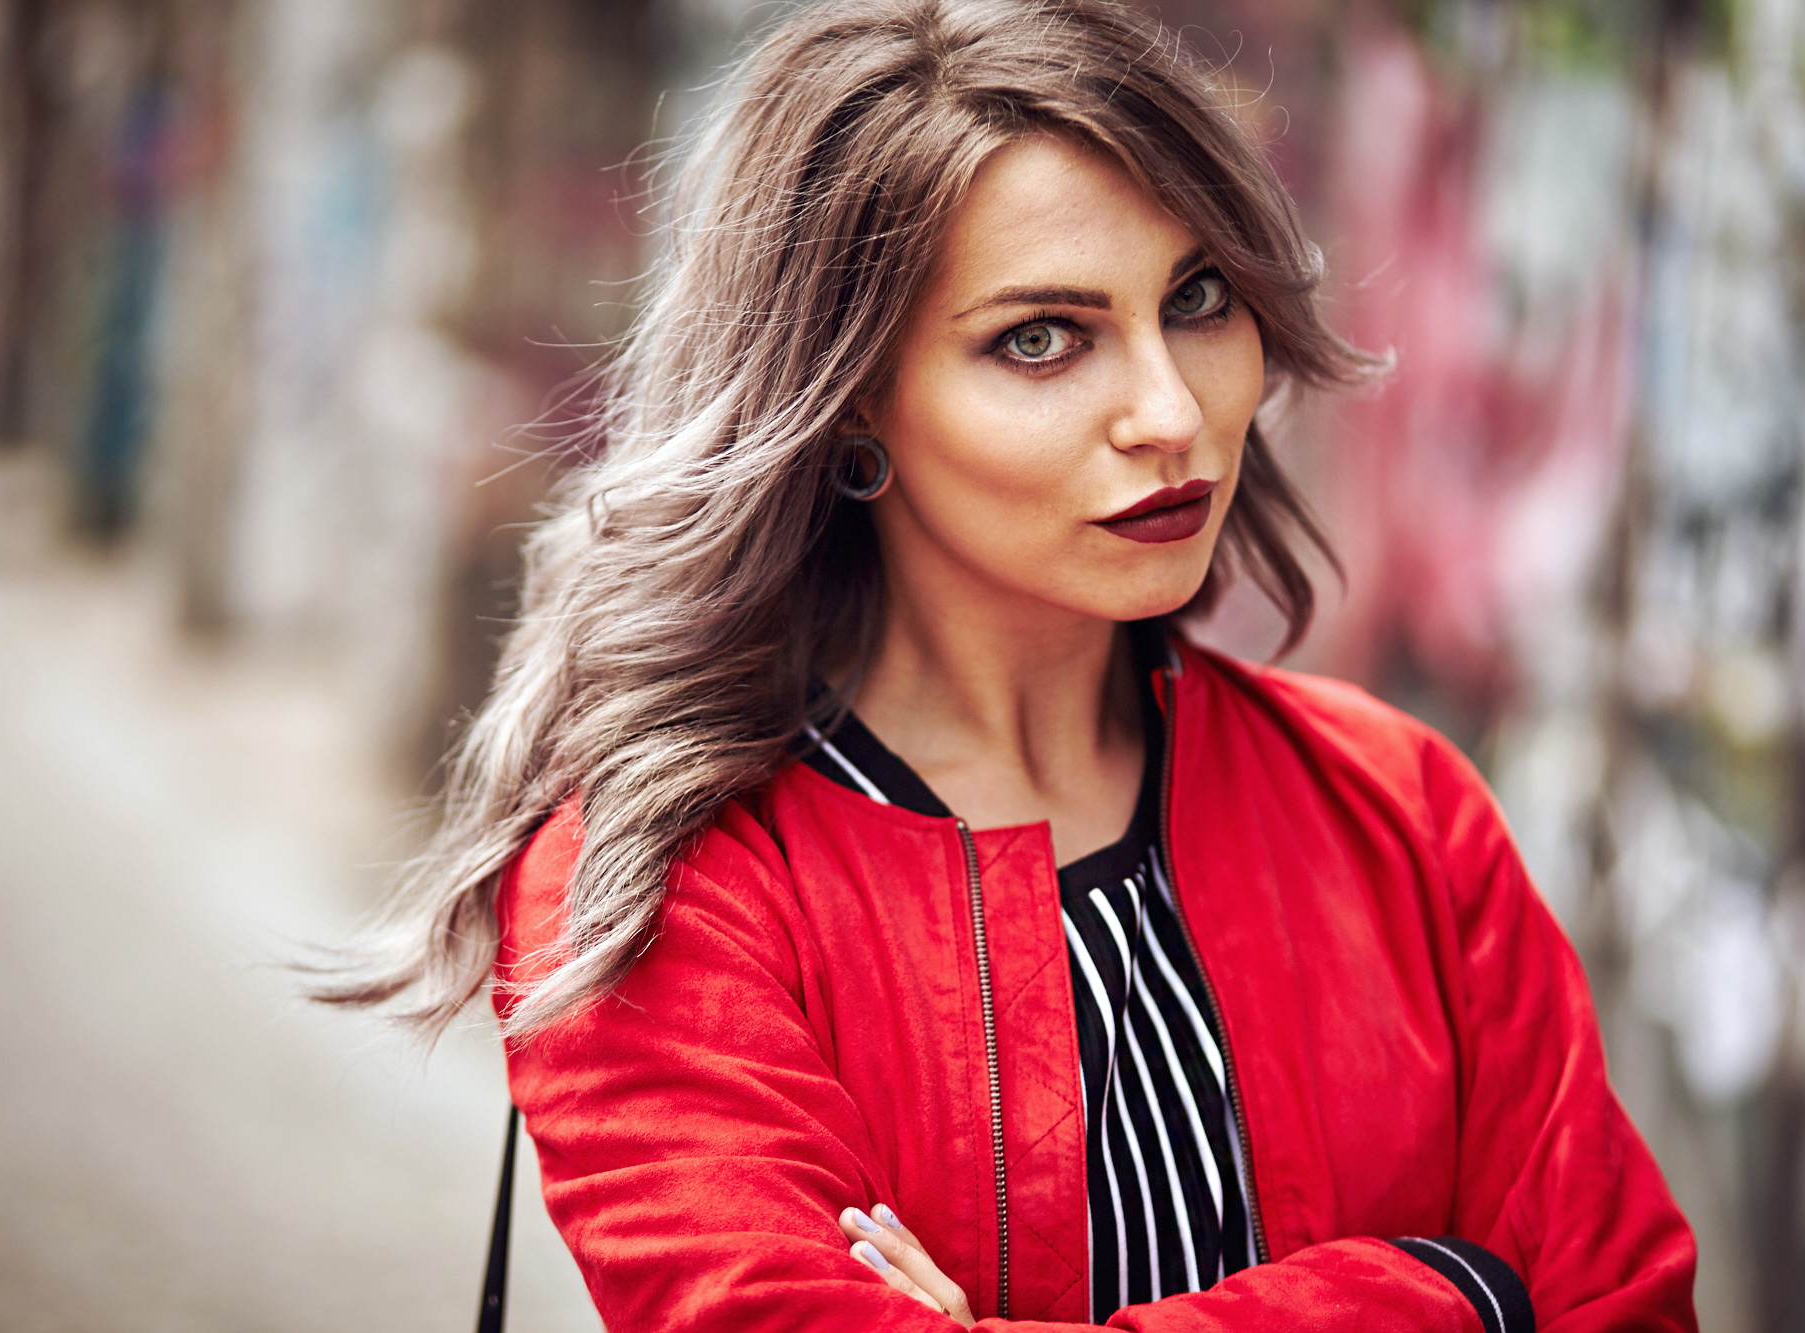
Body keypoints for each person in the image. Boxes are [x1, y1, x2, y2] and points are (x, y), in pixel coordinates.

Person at [320, 1, 1699, 1328]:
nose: (1169, 412)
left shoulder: (1397, 809)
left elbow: (1629, 1306)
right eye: (1041, 339)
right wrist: (1455, 1295)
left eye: (1200, 297)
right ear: (850, 395)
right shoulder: (670, 884)